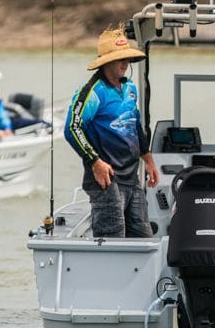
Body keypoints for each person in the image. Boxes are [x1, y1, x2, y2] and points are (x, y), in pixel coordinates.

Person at [64, 26, 160, 238]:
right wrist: (95, 162)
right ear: (107, 62)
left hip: (132, 177)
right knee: (113, 238)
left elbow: (135, 125)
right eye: (120, 60)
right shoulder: (93, 91)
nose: (125, 64)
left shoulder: (130, 88)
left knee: (143, 238)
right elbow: (72, 128)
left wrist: (149, 160)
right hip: (106, 180)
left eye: (127, 59)